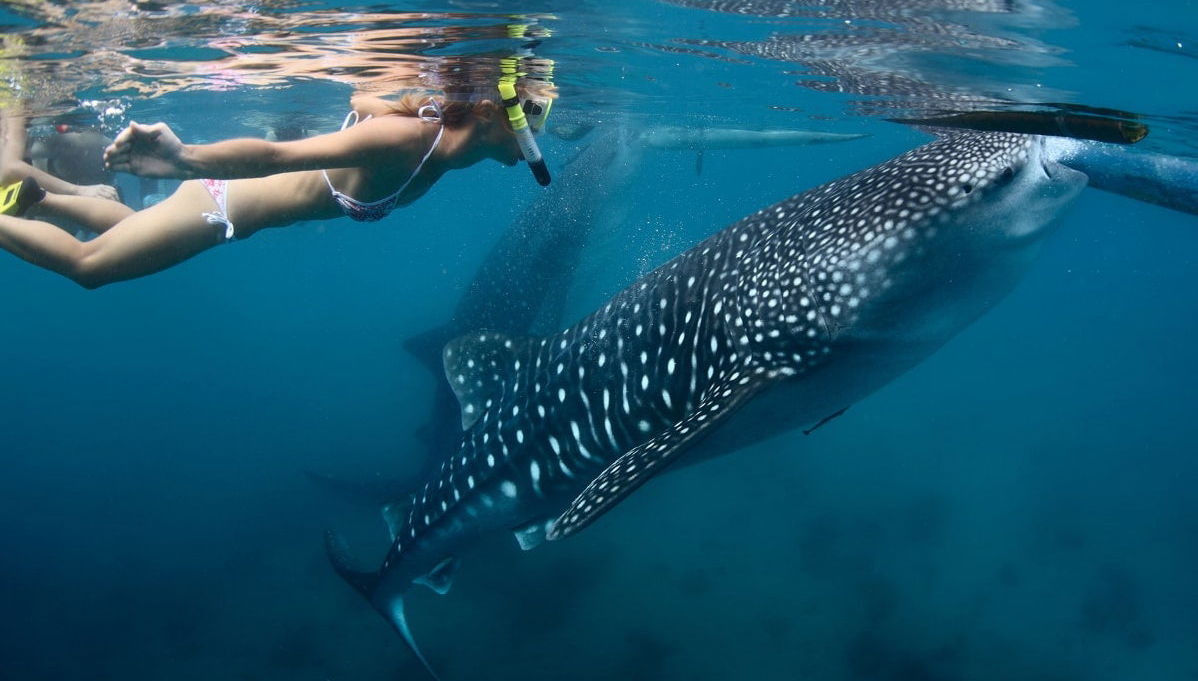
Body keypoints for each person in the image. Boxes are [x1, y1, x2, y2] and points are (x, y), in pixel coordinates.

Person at [0, 82, 554, 289]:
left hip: (226, 214)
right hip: (220, 203)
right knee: (89, 267)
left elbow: (360, 97)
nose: (540, 131)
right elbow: (275, 156)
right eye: (535, 114)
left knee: (131, 226)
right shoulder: (409, 141)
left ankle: (37, 197)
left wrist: (388, 101)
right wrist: (183, 158)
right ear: (489, 111)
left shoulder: (432, 144)